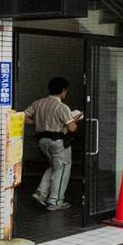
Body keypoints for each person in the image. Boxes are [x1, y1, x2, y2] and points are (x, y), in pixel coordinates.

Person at [24, 77, 80, 211]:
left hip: (42, 141)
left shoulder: (38, 103)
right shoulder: (62, 107)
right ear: (63, 91)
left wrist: (35, 123)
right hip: (58, 141)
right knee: (62, 169)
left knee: (54, 166)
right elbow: (72, 128)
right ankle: (55, 201)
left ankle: (41, 193)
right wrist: (76, 119)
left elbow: (23, 117)